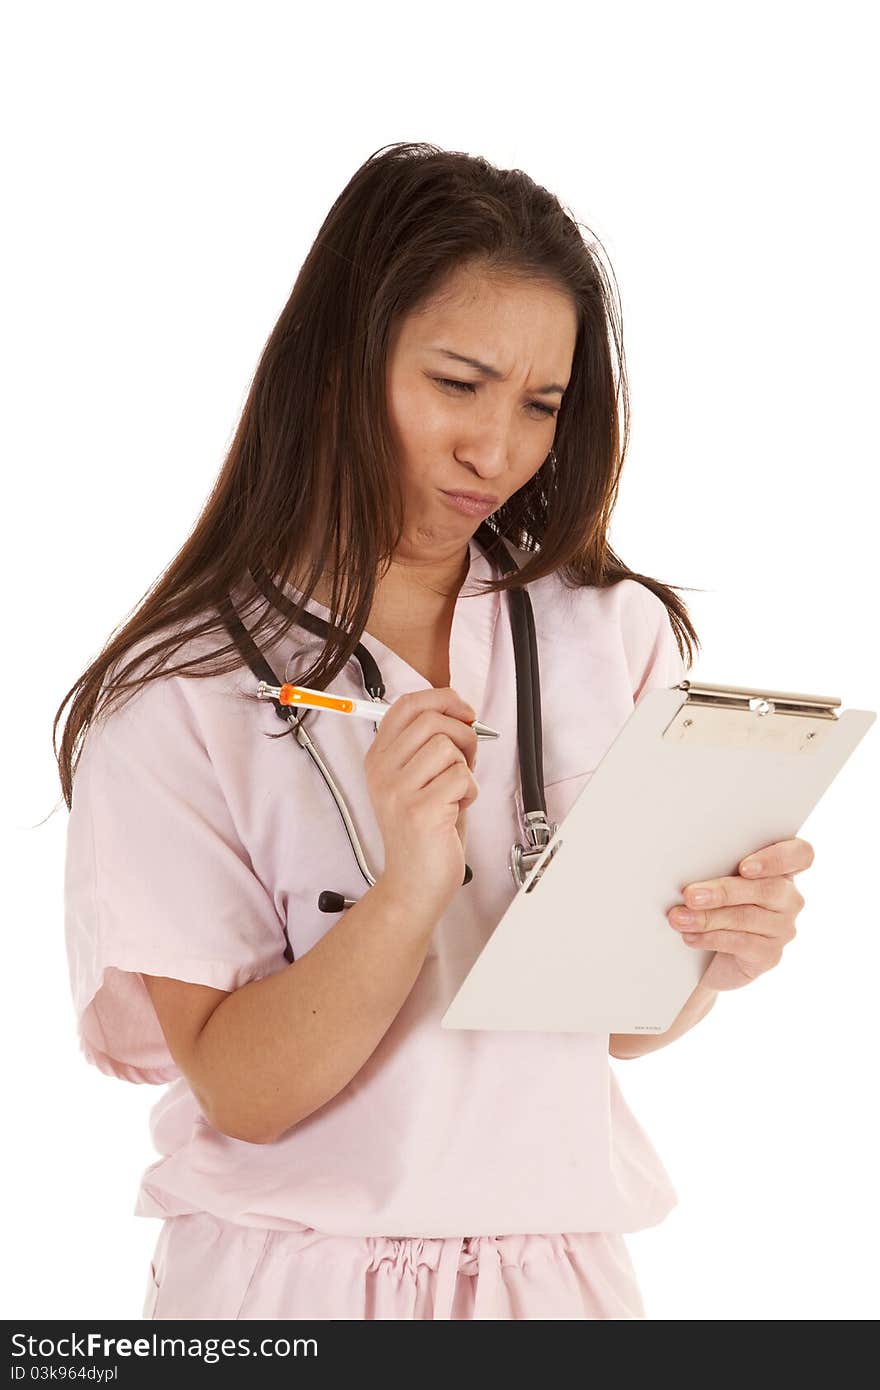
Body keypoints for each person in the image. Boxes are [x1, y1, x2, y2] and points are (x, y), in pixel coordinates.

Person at [55, 142, 812, 1321]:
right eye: (457, 384)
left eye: (541, 404)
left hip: (558, 1277)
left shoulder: (606, 636)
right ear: (335, 370)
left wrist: (712, 955)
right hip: (284, 1291)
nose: (497, 451)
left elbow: (614, 1022)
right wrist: (409, 888)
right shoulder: (182, 694)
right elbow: (244, 1091)